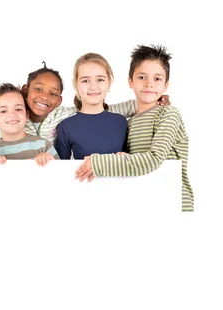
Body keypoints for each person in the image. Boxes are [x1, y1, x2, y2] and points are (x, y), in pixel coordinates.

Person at [74, 44, 194, 212]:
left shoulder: (168, 114)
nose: (149, 84)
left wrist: (100, 162)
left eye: (157, 79)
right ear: (130, 81)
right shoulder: (128, 122)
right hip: (144, 199)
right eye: (142, 77)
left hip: (172, 200)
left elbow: (153, 159)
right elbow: (101, 111)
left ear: (166, 85)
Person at [0, 62, 169, 143]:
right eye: (38, 89)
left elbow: (111, 110)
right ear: (26, 90)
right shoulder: (6, 119)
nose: (44, 97)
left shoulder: (66, 115)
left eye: (52, 93)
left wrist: (152, 100)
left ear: (59, 100)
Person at [54, 53, 128, 159]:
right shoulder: (66, 127)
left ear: (109, 82)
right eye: (85, 81)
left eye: (100, 80)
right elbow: (60, 169)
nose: (93, 87)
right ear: (75, 84)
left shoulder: (121, 122)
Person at [0, 83, 59, 166]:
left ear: (26, 115)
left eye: (18, 109)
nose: (12, 114)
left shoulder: (44, 145)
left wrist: (51, 163)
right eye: (3, 111)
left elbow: (61, 175)